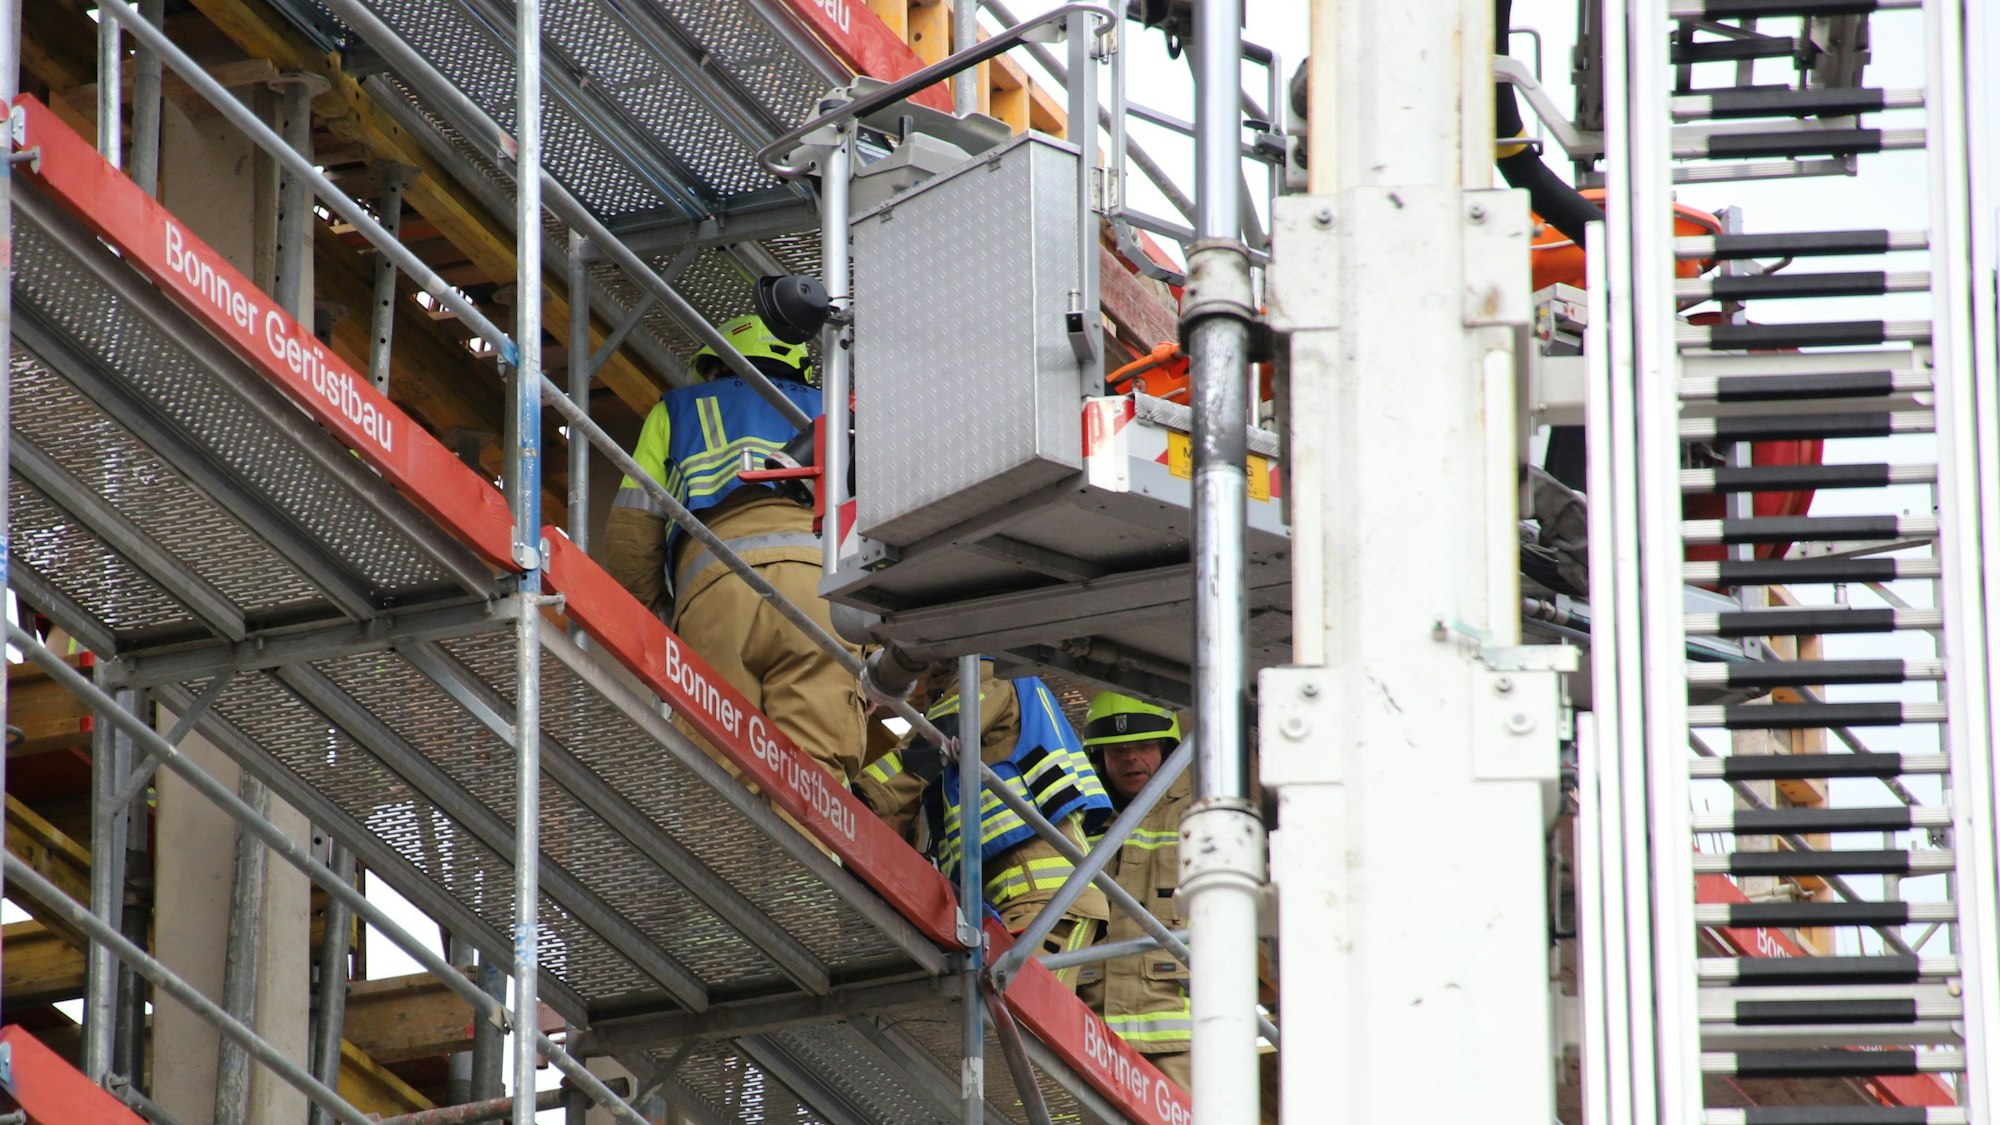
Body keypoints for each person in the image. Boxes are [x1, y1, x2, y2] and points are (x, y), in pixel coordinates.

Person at [602, 310, 864, 788]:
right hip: (820, 593)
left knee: (719, 778)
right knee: (815, 784)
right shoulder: (841, 417)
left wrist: (662, 618)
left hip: (716, 595)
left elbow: (632, 530)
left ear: (718, 365)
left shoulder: (677, 410)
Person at [856, 658, 1114, 990]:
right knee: (998, 1008)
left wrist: (858, 798)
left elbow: (928, 748)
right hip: (1015, 899)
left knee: (1015, 1007)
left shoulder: (987, 673)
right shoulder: (982, 683)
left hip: (1046, 901)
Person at [1076, 690, 1193, 1090]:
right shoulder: (1080, 822)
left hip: (1183, 1040)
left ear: (1166, 749)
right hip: (1093, 1034)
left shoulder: (1202, 810)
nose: (1130, 758)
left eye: (1143, 746)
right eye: (1118, 750)